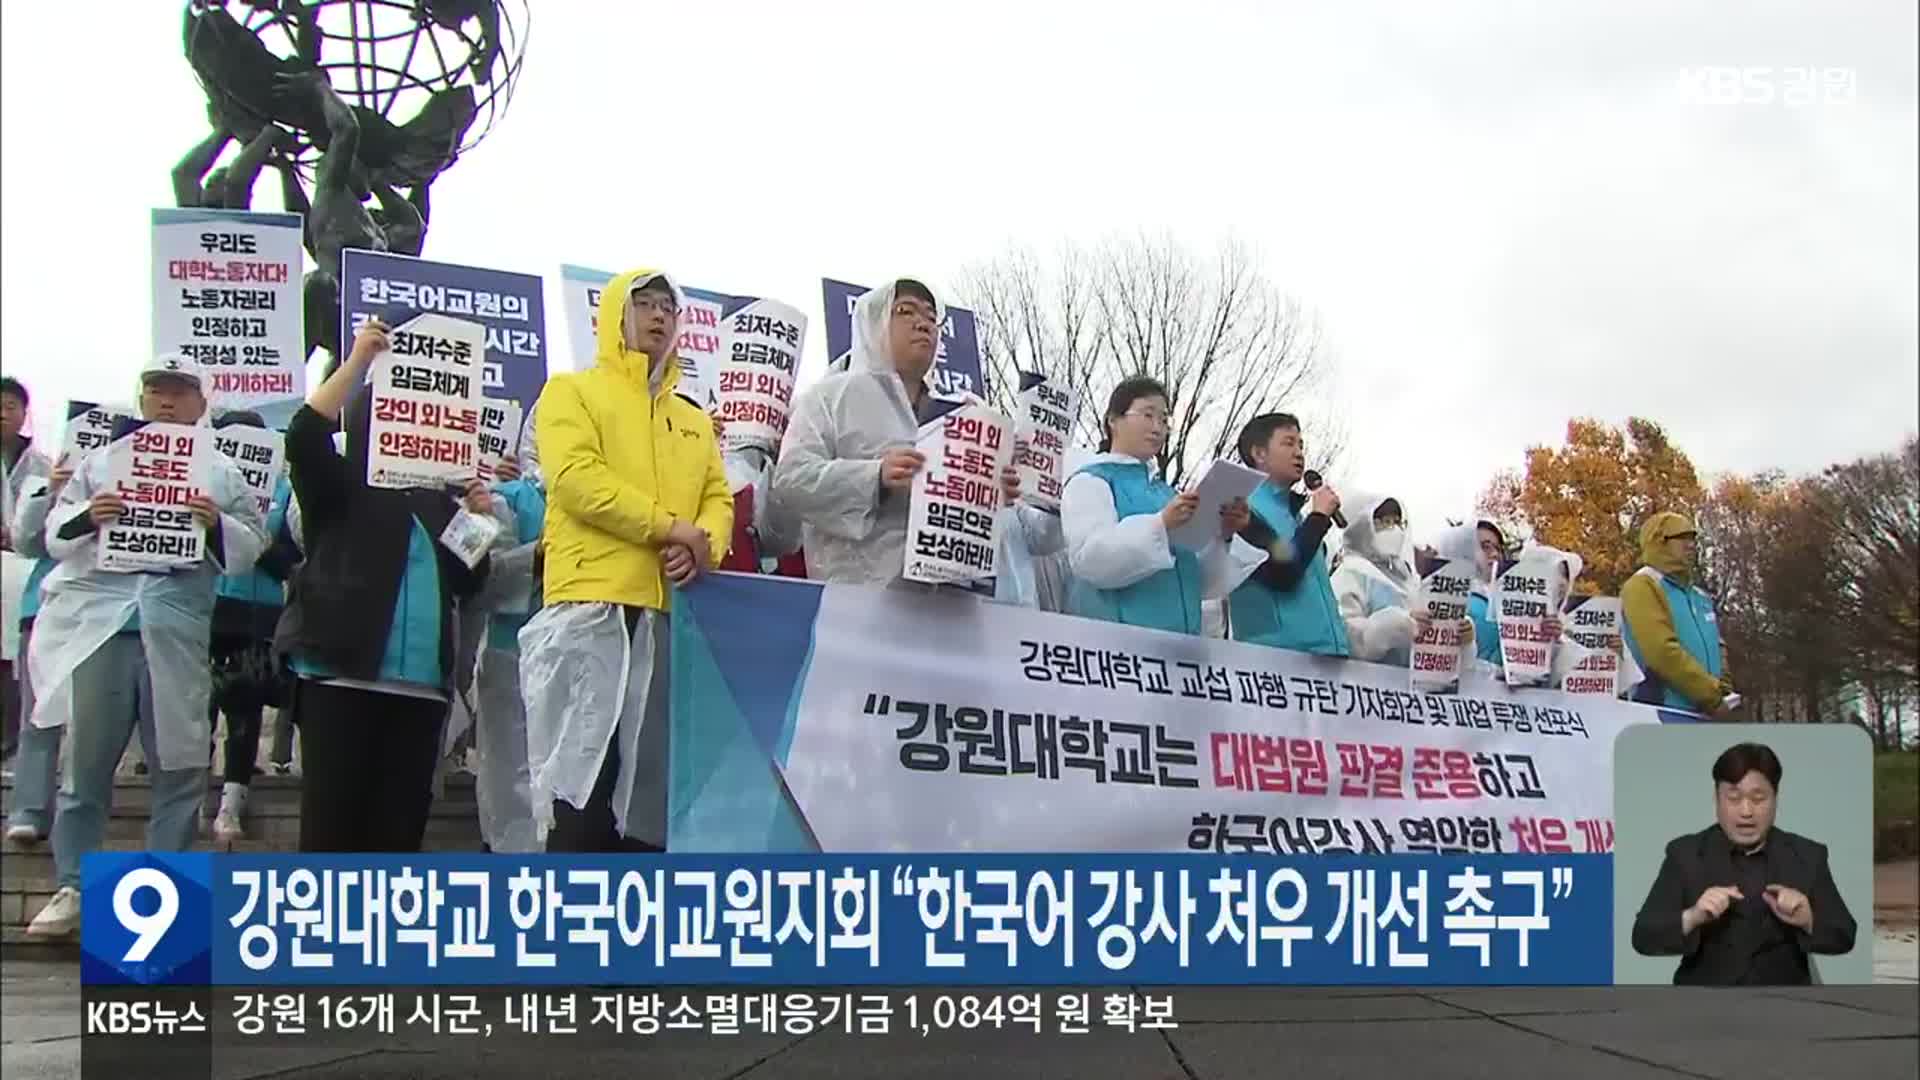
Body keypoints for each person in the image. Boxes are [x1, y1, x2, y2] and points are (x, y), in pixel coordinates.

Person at [24, 355, 267, 938]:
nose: (166, 402)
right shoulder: (102, 463)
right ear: (141, 399)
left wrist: (216, 525)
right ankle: (73, 887)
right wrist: (89, 515)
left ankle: (168, 898)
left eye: (179, 393)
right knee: (85, 768)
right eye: (156, 391)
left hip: (179, 632)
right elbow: (50, 533)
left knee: (179, 768)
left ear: (200, 405)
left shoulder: (222, 473)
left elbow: (254, 545)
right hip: (104, 630)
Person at [518, 268, 733, 853]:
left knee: (651, 806)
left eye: (669, 307)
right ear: (615, 314)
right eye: (645, 305)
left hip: (668, 624)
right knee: (582, 797)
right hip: (592, 618)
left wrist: (705, 545)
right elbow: (576, 482)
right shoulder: (571, 392)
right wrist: (672, 528)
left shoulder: (693, 419)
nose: (660, 316)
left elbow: (719, 496)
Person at [274, 317, 495, 853]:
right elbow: (304, 437)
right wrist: (358, 362)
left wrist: (479, 520)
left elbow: (470, 579)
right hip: (340, 682)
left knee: (398, 842)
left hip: (420, 694)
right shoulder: (342, 487)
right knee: (331, 836)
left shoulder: (440, 503)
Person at [772, 279, 1022, 586]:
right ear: (874, 324)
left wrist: (991, 489)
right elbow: (790, 479)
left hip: (956, 607)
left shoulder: (962, 414)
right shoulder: (829, 397)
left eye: (932, 318)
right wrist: (875, 477)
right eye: (906, 311)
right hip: (860, 605)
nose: (924, 325)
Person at [1631, 742, 1856, 985]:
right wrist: (1693, 916)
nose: (1746, 811)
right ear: (1717, 799)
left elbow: (1844, 935)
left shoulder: (1808, 855)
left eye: (1758, 798)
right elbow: (1643, 937)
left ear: (1775, 799)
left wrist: (1809, 920)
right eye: (1734, 798)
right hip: (1702, 1011)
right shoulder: (1685, 854)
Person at [1061, 377, 1256, 634]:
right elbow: (1088, 560)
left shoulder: (1168, 495)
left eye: (1164, 420)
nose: (1157, 428)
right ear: (1113, 420)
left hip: (1177, 654)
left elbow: (1203, 584)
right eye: (1147, 415)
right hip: (1116, 649)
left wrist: (1223, 534)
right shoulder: (1090, 480)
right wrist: (1160, 525)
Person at [205, 409, 300, 843]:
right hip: (201, 605)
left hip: (256, 614)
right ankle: (192, 792)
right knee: (195, 707)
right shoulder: (196, 484)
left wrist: (251, 538)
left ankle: (231, 801)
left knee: (244, 705)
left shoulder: (285, 491)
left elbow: (290, 562)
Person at [467, 437, 543, 854]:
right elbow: (482, 582)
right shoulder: (508, 497)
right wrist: (540, 556)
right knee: (509, 773)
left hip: (579, 658)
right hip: (510, 653)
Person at [1226, 413, 1347, 655]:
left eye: (1301, 445)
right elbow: (1283, 574)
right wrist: (1319, 519)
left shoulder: (1297, 516)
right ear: (1259, 453)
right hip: (1276, 656)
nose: (1299, 453)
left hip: (1326, 655)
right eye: (1288, 443)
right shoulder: (1243, 508)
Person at [1621, 512, 1734, 715]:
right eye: (1681, 538)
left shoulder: (1700, 595)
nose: (1690, 545)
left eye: (1692, 539)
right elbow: (1661, 652)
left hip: (1707, 710)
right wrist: (1712, 698)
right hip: (1663, 712)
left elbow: (1718, 646)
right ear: (1659, 541)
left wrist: (1723, 691)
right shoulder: (1643, 585)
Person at [4, 472, 61, 846]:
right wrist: (51, 493)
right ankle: (29, 809)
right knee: (37, 714)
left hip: (112, 610)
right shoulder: (43, 478)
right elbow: (24, 539)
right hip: (44, 606)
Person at [2, 375, 52, 761]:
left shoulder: (43, 465)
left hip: (24, 574)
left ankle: (11, 751)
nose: (3, 414)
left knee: (18, 671)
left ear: (23, 413)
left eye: (10, 406)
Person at [1330, 493, 1420, 666]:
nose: (1395, 529)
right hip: (1362, 687)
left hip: (1406, 690)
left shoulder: (1407, 580)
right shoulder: (1350, 572)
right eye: (1385, 522)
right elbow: (1343, 636)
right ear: (1361, 525)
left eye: (1397, 522)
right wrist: (1396, 625)